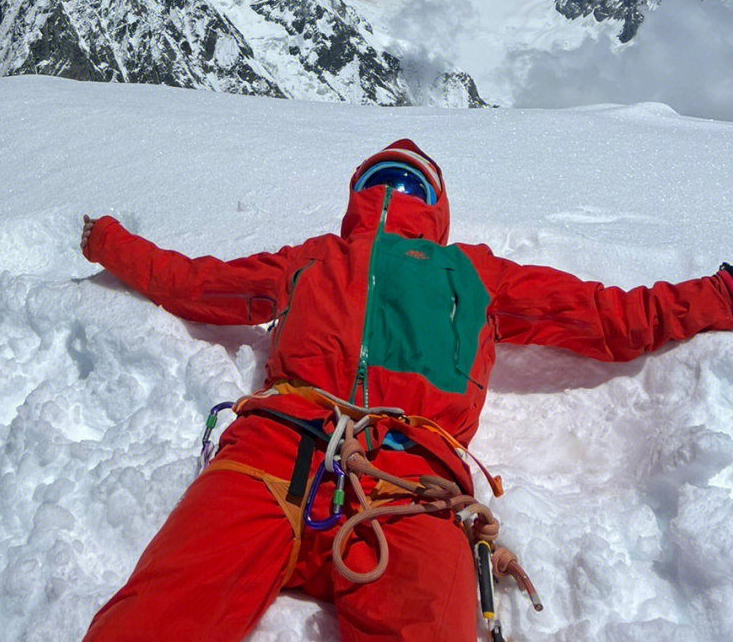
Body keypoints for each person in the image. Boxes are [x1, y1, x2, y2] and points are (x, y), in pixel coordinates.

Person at [79, 139, 733, 642]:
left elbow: (194, 283)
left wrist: (108, 242)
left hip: (278, 453)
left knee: (157, 613)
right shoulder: (474, 272)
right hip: (413, 484)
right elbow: (617, 317)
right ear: (436, 211)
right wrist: (722, 292)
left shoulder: (318, 258)